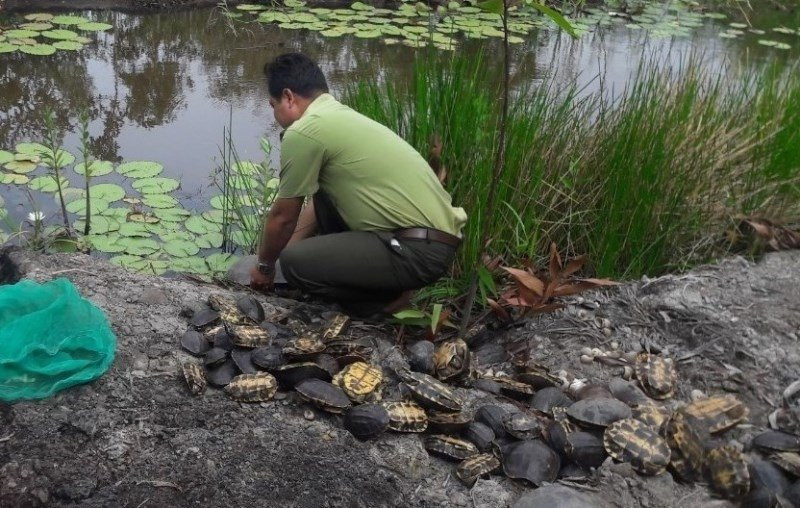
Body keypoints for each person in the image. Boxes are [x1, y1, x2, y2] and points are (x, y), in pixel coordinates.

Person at [249, 52, 467, 316]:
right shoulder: (339, 117)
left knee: (295, 264)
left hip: (416, 251)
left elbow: (283, 216)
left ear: (288, 97)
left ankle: (381, 304)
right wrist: (284, 252)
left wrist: (266, 267)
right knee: (313, 216)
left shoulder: (304, 131)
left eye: (273, 105)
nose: (275, 115)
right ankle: (387, 287)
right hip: (431, 243)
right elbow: (319, 207)